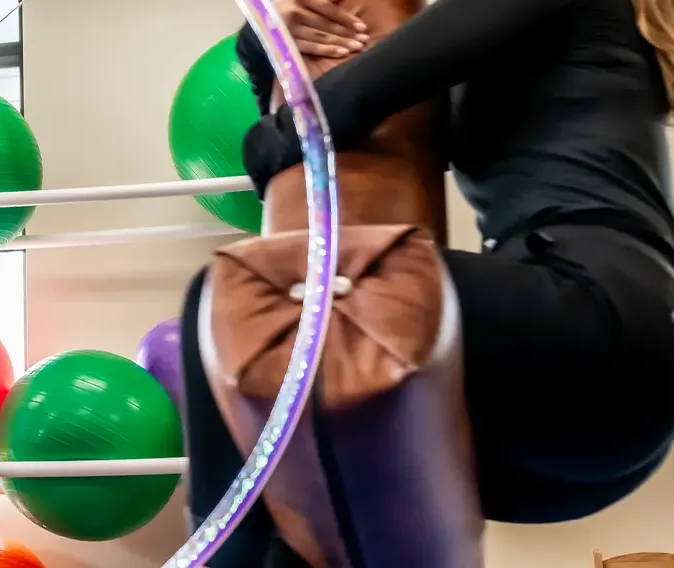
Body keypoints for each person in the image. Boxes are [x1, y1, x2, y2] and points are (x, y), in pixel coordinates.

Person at [180, 0, 674, 564]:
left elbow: (346, 101)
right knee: (317, 491)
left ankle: (213, 554)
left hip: (595, 321)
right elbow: (330, 95)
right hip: (587, 437)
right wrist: (260, 39)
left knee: (230, 297)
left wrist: (261, 141)